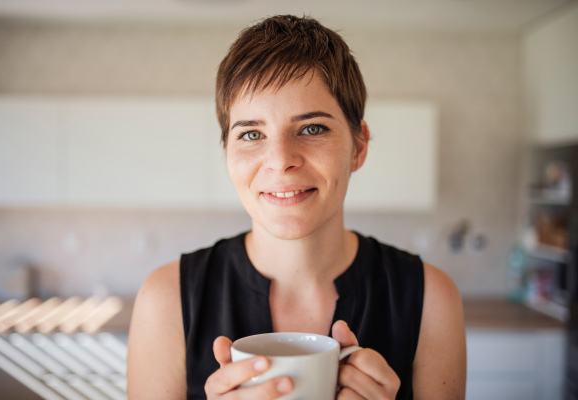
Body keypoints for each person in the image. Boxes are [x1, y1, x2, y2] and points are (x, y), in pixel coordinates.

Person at [127, 15, 466, 400]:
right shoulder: (165, 299)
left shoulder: (432, 298)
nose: (280, 160)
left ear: (358, 146)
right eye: (252, 134)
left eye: (312, 128)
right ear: (227, 152)